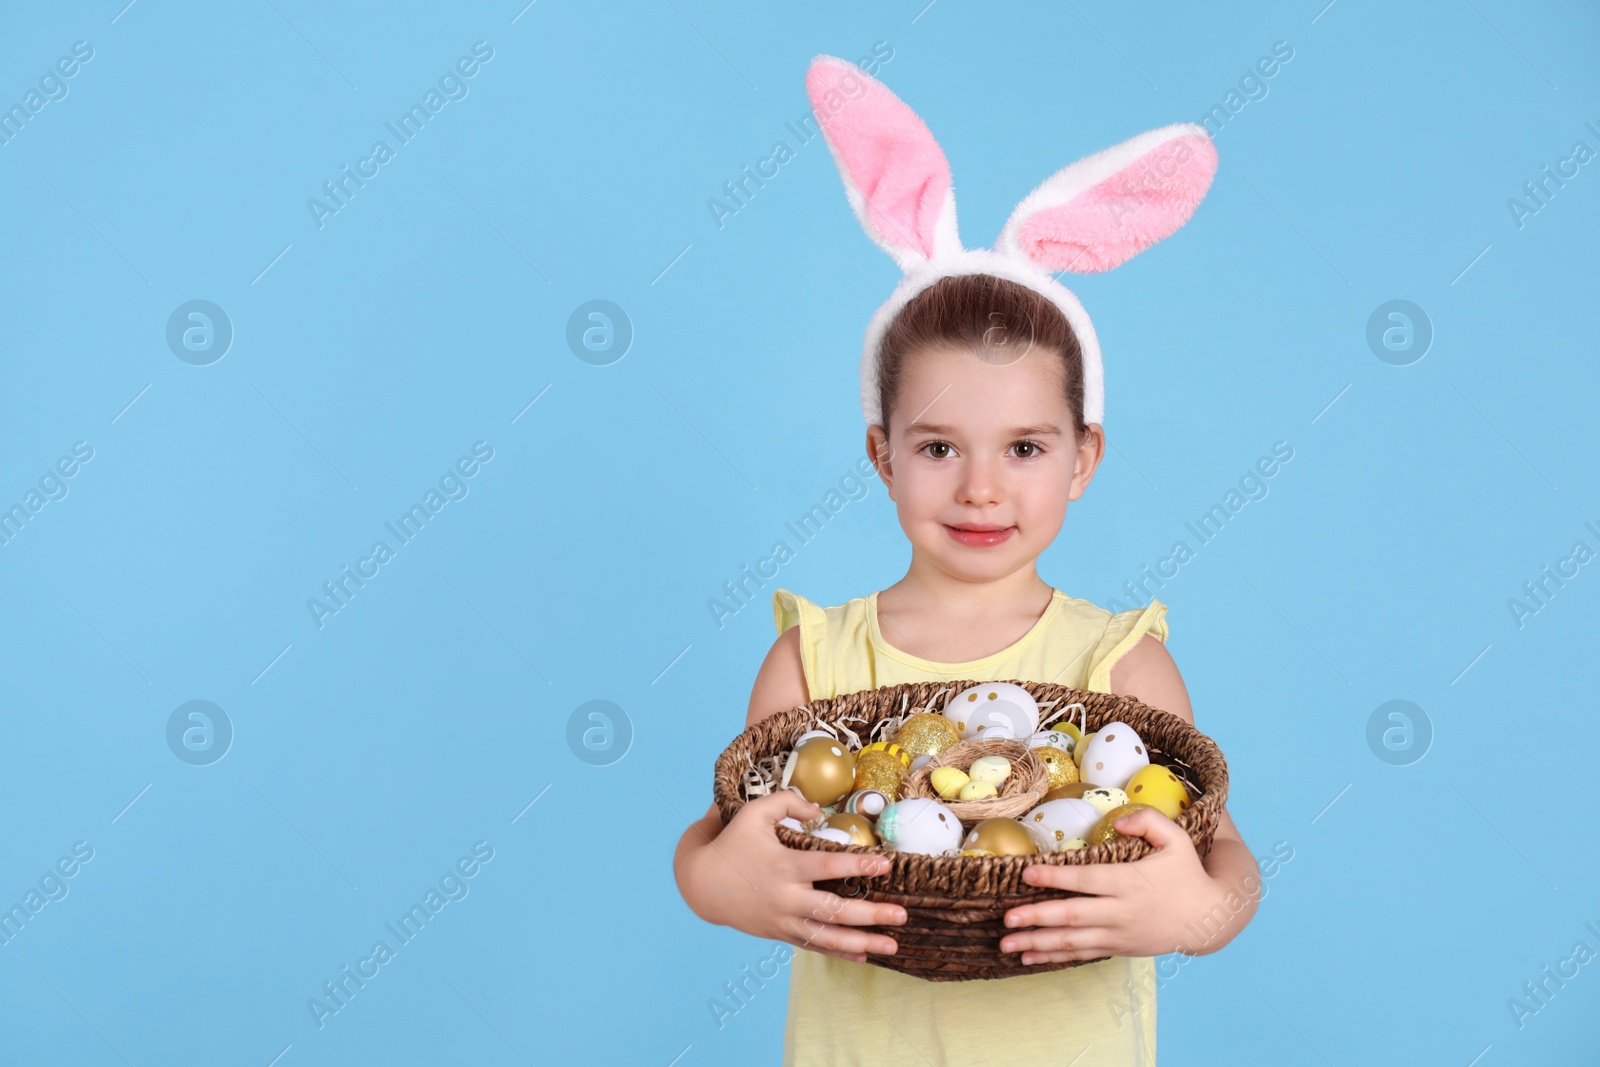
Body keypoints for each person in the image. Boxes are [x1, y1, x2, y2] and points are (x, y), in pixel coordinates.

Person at [674, 56, 1261, 1065]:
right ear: (881, 455)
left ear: (1083, 459)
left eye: (1025, 448)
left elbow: (1223, 855)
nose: (981, 487)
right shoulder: (816, 663)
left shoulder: (1116, 666)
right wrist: (714, 884)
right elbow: (717, 834)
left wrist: (1201, 911)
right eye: (939, 446)